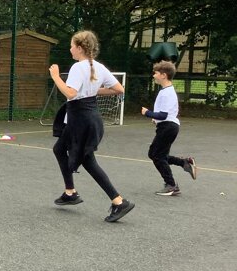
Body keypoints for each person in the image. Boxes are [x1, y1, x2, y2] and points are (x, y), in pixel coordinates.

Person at [49, 30, 135, 223]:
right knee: (59, 149)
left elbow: (70, 93)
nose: (70, 49)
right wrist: (94, 91)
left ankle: (119, 201)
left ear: (80, 48)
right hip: (89, 117)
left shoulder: (77, 67)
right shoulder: (99, 67)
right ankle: (70, 192)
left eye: (72, 46)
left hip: (81, 120)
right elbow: (119, 89)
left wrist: (55, 76)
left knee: (88, 161)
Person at [141, 60, 197, 195]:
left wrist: (147, 113)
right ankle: (185, 163)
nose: (154, 75)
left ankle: (171, 185)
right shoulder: (165, 91)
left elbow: (163, 114)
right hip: (167, 126)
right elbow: (165, 114)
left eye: (155, 73)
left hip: (168, 127)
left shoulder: (167, 93)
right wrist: (155, 119)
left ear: (163, 75)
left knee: (157, 156)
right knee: (156, 154)